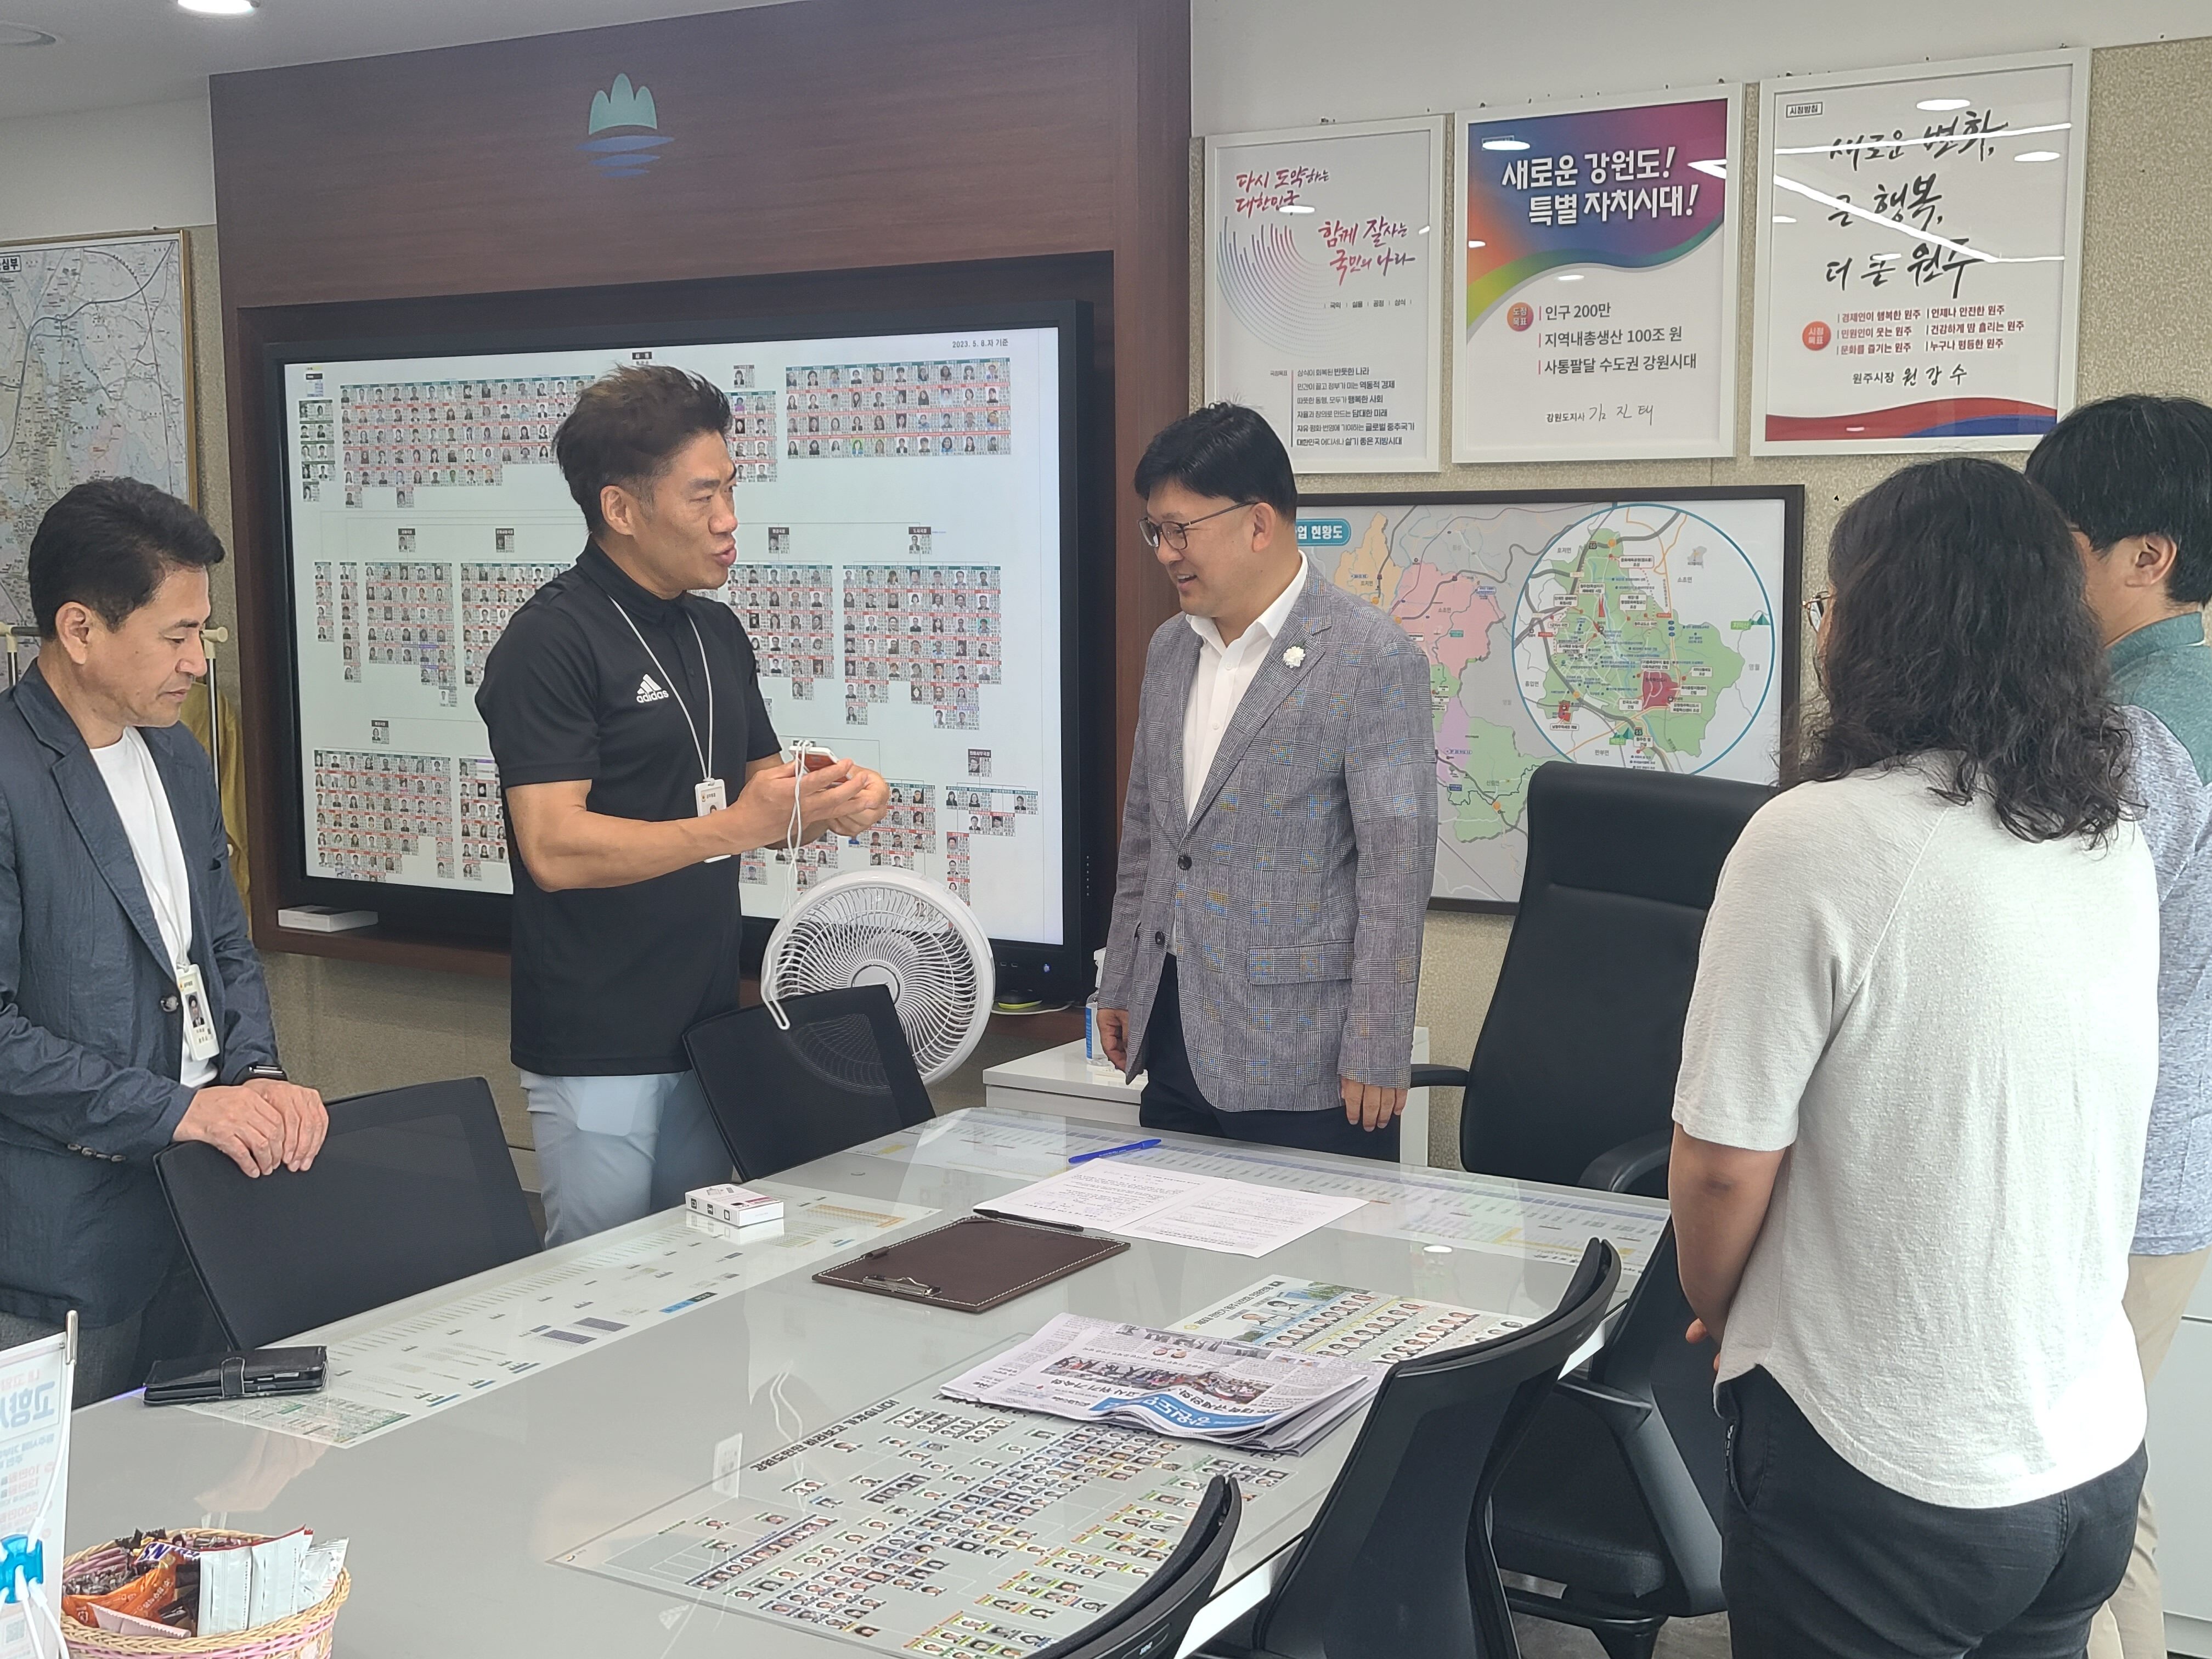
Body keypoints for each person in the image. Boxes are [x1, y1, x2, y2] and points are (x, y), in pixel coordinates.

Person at [1669, 457, 2157, 1655]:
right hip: (2084, 1454)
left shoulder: (1817, 837)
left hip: (1887, 1465)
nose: (1822, 629)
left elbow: (1724, 1163)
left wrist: (1722, 1311)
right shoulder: (2108, 837)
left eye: (1830, 603)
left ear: (1876, 622)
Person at [477, 366, 888, 1247]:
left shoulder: (715, 630)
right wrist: (736, 826)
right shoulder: (550, 640)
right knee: (598, 1285)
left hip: (706, 1030)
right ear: (621, 509)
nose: (729, 519)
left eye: (731, 489)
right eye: (703, 496)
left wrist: (838, 798)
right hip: (598, 1042)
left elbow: (768, 789)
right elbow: (555, 847)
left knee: (694, 1276)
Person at [0, 479, 328, 1404]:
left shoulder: (177, 751)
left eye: (203, 633)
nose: (197, 662)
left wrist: (258, 1074)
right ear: (80, 629)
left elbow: (222, 943)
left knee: (201, 1468)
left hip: (203, 1204)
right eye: (176, 636)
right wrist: (180, 1111)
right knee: (76, 1488)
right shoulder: (12, 775)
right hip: (70, 1232)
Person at [1094, 404, 1435, 1159]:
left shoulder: (1369, 658)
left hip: (1308, 1062)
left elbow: (1397, 871)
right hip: (1174, 1039)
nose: (1165, 553)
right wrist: (1121, 982)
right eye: (1155, 531)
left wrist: (1379, 1044)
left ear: (1258, 523)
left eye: (1181, 530)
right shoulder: (1170, 651)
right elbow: (1148, 835)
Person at [2026, 395, 2212, 1659]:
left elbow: (2059, 961)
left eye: (2061, 544)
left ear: (2150, 555)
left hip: (2115, 1178)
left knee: (2066, 1517)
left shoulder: (2137, 733)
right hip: (2168, 1164)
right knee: (2109, 1497)